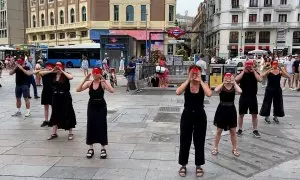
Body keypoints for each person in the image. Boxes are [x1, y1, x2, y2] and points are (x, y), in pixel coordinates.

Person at [176, 65, 212, 177]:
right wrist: (189, 79)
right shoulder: (187, 84)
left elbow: (209, 94)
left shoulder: (202, 85)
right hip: (187, 115)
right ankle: (183, 164)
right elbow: (178, 92)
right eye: (193, 72)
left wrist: (200, 80)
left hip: (200, 115)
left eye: (197, 72)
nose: (195, 74)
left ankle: (199, 165)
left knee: (199, 141)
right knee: (184, 141)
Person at [76, 67, 114, 159]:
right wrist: (85, 79)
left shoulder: (102, 83)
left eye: (96, 73)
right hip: (92, 106)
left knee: (102, 126)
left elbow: (112, 91)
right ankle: (90, 148)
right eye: (93, 73)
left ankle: (103, 148)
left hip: (101, 106)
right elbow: (78, 89)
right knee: (91, 125)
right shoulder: (89, 83)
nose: (94, 75)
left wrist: (104, 79)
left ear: (99, 74)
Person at [212, 73, 242, 157]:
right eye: (226, 77)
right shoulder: (222, 85)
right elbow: (216, 90)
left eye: (230, 77)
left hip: (231, 109)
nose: (228, 78)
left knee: (233, 131)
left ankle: (235, 148)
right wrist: (223, 82)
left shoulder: (234, 85)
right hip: (222, 109)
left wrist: (234, 82)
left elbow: (240, 91)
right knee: (219, 130)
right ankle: (215, 147)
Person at [46, 62, 76, 140]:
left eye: (59, 65)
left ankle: (70, 132)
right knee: (55, 113)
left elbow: (71, 77)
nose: (57, 67)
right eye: (56, 65)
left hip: (65, 96)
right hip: (56, 97)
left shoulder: (65, 74)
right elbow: (41, 73)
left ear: (62, 66)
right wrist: (52, 70)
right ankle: (54, 133)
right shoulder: (53, 75)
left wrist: (62, 71)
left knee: (68, 113)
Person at [235, 60, 262, 138]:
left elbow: (260, 79)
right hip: (243, 96)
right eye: (247, 65)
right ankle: (239, 129)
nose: (249, 67)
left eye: (250, 65)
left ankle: (255, 130)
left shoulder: (255, 73)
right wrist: (244, 71)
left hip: (253, 96)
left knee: (254, 114)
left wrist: (253, 70)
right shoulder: (242, 73)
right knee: (241, 114)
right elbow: (236, 80)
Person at [39, 63, 55, 127]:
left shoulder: (54, 74)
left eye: (50, 67)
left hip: (53, 92)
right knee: (46, 106)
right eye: (47, 67)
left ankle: (53, 120)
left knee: (53, 107)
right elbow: (40, 73)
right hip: (45, 91)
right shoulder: (44, 73)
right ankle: (46, 120)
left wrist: (53, 70)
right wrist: (49, 70)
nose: (48, 68)